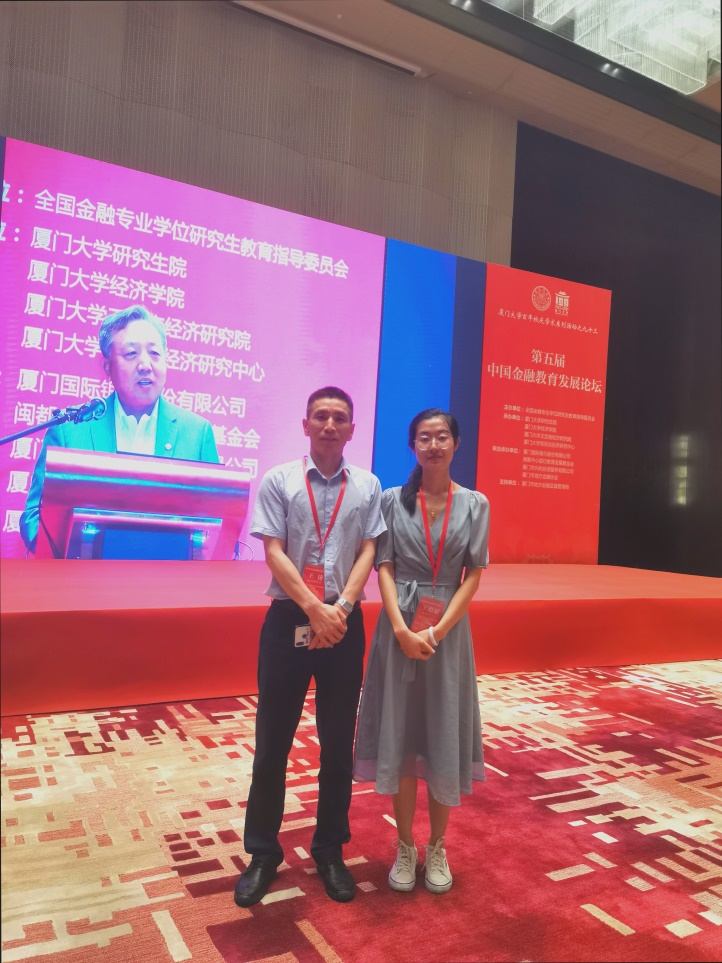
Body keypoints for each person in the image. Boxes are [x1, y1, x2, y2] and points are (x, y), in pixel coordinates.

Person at [234, 386, 385, 907]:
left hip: (344, 625)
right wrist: (314, 608)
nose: (329, 425)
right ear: (305, 425)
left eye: (339, 418)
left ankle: (329, 849)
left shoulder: (368, 485)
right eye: (320, 416)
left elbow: (369, 549)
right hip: (289, 623)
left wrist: (340, 607)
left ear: (351, 429)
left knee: (337, 744)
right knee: (272, 744)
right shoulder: (279, 479)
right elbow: (273, 552)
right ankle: (262, 853)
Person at [353, 408, 489, 894]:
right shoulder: (393, 500)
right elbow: (384, 568)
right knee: (403, 733)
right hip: (398, 631)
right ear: (413, 446)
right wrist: (401, 629)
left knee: (442, 733)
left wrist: (435, 631)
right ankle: (406, 845)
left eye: (442, 436)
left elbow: (473, 575)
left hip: (447, 634)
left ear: (456, 443)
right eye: (424, 438)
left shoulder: (475, 504)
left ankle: (438, 846)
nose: (434, 445)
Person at [19, 305, 219, 552]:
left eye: (155, 353)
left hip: (170, 575)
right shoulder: (69, 430)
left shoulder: (197, 433)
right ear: (107, 366)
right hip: (84, 573)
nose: (145, 365)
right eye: (131, 353)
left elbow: (217, 526)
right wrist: (71, 555)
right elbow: (34, 518)